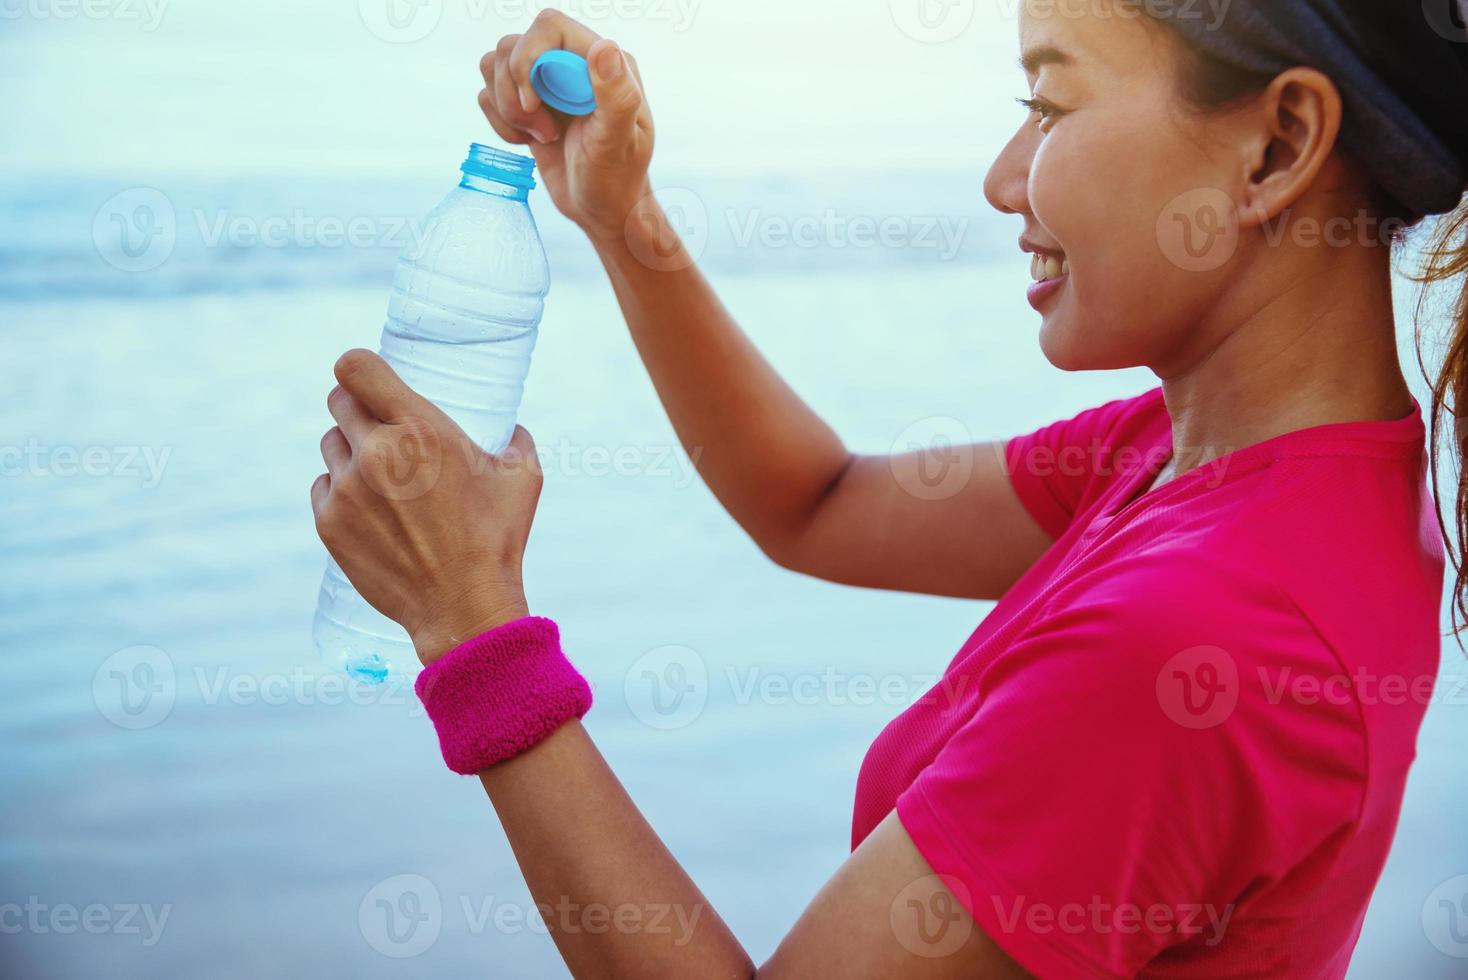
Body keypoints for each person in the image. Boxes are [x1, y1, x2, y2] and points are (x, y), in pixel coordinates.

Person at [310, 2, 1468, 975]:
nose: (1000, 180)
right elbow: (816, 503)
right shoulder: (1214, 465)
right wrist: (621, 216)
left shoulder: (1199, 639)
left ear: (1276, 147)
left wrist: (474, 628)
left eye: (1050, 108)